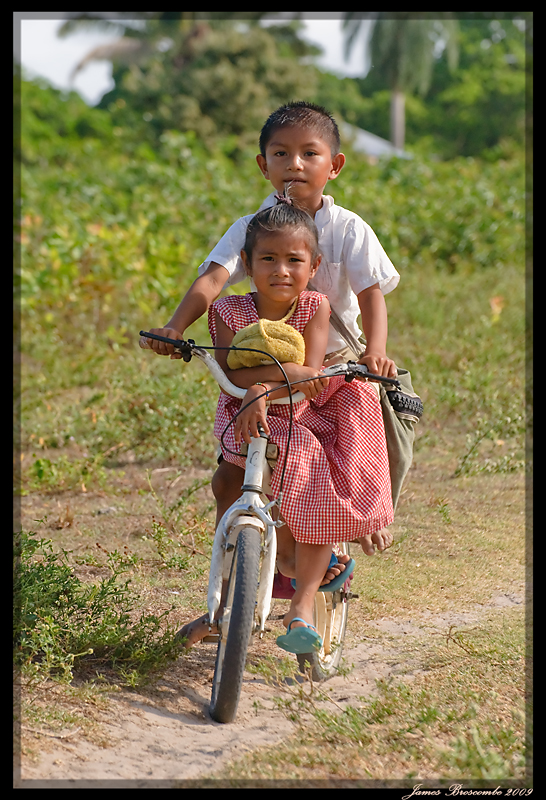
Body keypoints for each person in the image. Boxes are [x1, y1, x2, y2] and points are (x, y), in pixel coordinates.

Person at [141, 101, 409, 646]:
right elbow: (213, 280)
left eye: (310, 153)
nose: (295, 163)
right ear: (263, 166)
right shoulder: (250, 228)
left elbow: (370, 296)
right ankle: (225, 601)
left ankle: (307, 598)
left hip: (332, 372)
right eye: (281, 153)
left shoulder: (348, 229)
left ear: (333, 166)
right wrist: (174, 327)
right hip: (257, 372)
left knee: (329, 478)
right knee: (227, 481)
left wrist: (377, 352)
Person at [204, 197, 394, 653]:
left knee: (312, 491)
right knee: (225, 484)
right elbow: (232, 373)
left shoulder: (316, 307)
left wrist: (260, 385)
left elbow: (309, 375)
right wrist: (254, 388)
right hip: (245, 413)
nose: (281, 270)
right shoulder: (227, 313)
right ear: (247, 263)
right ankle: (221, 604)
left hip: (298, 414)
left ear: (314, 266)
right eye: (268, 259)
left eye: (294, 260)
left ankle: (301, 608)